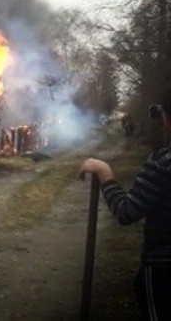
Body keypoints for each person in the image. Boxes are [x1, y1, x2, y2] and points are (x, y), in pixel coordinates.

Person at [79, 84, 171, 320]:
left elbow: (126, 212)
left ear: (166, 119)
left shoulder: (163, 162)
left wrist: (104, 173)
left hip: (163, 269)